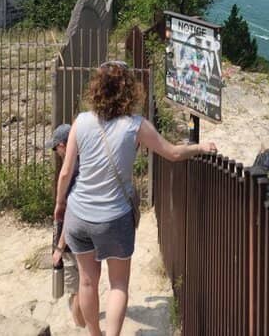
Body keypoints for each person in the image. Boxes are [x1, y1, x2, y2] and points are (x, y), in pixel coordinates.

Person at [54, 60, 216, 336]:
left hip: (78, 214)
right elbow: (173, 153)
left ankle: (94, 334)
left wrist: (60, 205)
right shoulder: (136, 125)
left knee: (87, 281)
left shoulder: (81, 122)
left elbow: (66, 172)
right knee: (118, 284)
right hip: (113, 217)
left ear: (96, 89)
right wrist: (201, 147)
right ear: (129, 91)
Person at [47, 123, 85, 329]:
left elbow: (70, 212)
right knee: (88, 283)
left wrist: (59, 247)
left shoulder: (70, 171)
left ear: (63, 145)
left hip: (71, 240)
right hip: (90, 234)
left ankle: (82, 328)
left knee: (76, 292)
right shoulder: (86, 164)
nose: (56, 153)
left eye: (55, 148)